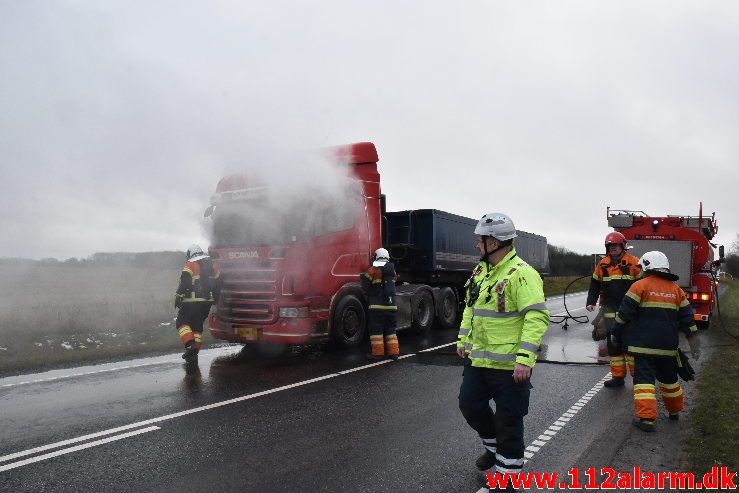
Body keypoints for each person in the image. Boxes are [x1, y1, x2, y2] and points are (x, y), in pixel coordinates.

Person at [456, 213, 550, 482]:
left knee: (509, 421)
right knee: (470, 405)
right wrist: (463, 340)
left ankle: (507, 479)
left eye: (480, 240)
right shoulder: (479, 272)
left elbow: (536, 317)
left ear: (494, 243)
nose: (477, 245)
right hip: (478, 361)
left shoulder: (522, 274)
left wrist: (525, 358)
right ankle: (494, 447)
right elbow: (471, 309)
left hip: (510, 365)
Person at [609, 251, 700, 432]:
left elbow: (623, 315)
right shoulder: (677, 290)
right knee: (670, 381)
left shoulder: (638, 286)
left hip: (642, 348)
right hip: (668, 349)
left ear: (648, 267)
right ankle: (674, 411)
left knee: (644, 383)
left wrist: (614, 332)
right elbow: (688, 320)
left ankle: (646, 419)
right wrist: (695, 344)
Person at [586, 231, 643, 387]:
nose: (613, 248)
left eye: (615, 245)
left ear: (623, 246)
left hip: (629, 313)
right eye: (610, 246)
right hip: (609, 312)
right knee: (613, 347)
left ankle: (638, 379)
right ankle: (618, 377)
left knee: (630, 347)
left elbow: (643, 286)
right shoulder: (602, 264)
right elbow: (595, 285)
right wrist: (590, 301)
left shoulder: (634, 263)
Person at [174, 244, 220, 364]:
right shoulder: (211, 266)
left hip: (191, 302)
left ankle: (190, 346)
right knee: (196, 327)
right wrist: (216, 298)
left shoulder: (190, 264)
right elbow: (219, 283)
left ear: (190, 254)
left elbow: (185, 281)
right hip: (206, 304)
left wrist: (179, 296)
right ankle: (194, 354)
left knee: (181, 322)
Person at [360, 247, 400, 360]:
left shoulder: (373, 270)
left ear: (376, 257)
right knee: (391, 330)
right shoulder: (392, 271)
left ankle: (378, 354)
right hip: (391, 306)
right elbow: (394, 282)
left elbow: (365, 285)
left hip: (376, 307)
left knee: (376, 330)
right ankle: (394, 353)